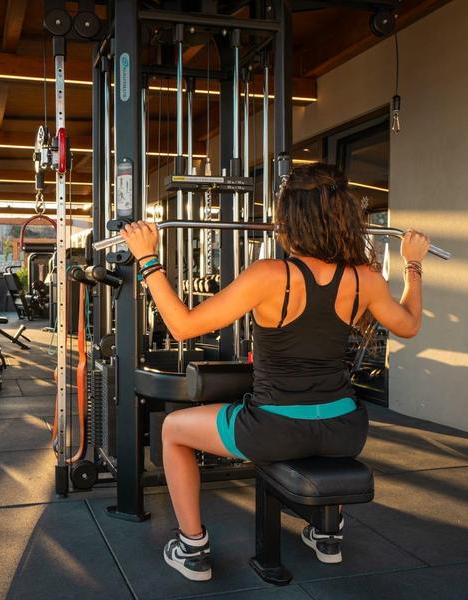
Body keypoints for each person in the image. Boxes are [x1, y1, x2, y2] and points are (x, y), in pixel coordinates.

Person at [120, 163, 430, 582]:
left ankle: (192, 548)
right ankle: (327, 534)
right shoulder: (365, 279)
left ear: (290, 220)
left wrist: (147, 259)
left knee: (173, 429)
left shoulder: (270, 276)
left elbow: (182, 326)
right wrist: (413, 266)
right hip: (345, 429)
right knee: (319, 422)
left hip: (273, 430)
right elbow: (410, 325)